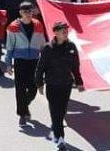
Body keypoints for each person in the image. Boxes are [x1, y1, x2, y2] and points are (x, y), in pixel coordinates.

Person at [35, 21, 84, 149]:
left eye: (66, 31)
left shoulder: (71, 47)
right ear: (55, 32)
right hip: (52, 84)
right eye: (63, 31)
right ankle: (60, 139)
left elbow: (75, 66)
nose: (65, 33)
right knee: (55, 111)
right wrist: (39, 83)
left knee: (61, 111)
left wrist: (79, 82)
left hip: (66, 84)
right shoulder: (48, 48)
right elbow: (40, 68)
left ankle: (56, 127)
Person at [4, 2, 45, 125]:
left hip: (34, 60)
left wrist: (45, 60)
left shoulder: (38, 25)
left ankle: (24, 105)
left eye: (30, 12)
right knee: (20, 89)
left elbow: (42, 44)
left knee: (33, 89)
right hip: (20, 61)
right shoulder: (13, 27)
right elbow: (9, 46)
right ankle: (22, 113)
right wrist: (8, 64)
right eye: (25, 12)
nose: (28, 14)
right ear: (20, 13)